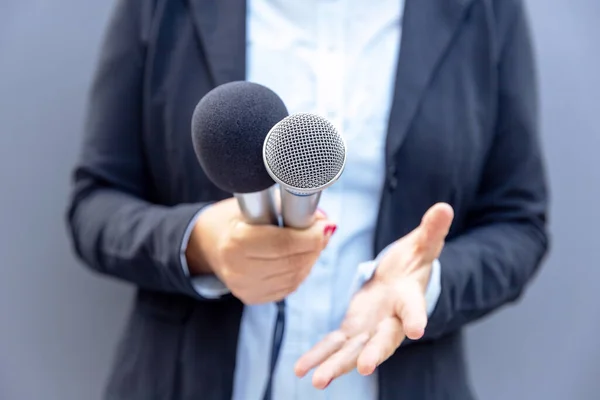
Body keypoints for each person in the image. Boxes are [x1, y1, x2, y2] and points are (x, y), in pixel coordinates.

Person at [65, 0, 549, 399]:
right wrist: (201, 244)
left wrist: (428, 283)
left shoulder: (485, 12)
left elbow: (519, 221)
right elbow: (95, 205)